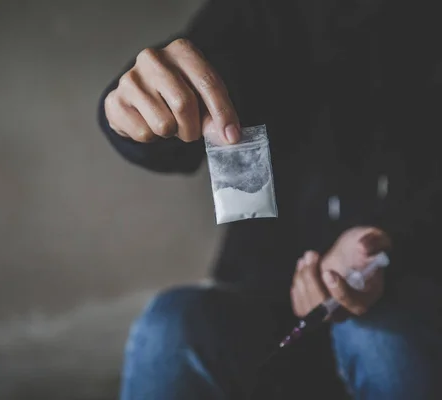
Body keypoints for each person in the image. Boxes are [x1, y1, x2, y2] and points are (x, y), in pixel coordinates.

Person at [97, 1, 442, 399]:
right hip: (258, 302)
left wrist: (386, 248)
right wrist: (126, 107)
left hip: (412, 299)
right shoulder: (256, 14)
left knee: (381, 339)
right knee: (171, 324)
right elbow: (173, 124)